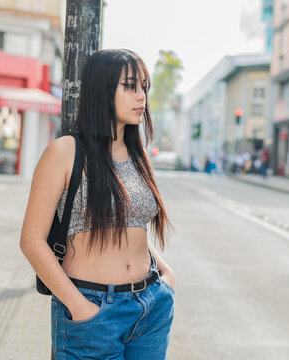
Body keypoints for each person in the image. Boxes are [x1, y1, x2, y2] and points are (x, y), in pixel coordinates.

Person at [20, 49, 175, 360]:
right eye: (130, 86)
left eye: (144, 86)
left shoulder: (138, 156)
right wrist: (79, 306)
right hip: (93, 311)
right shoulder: (64, 152)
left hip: (151, 306)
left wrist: (166, 276)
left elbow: (134, 224)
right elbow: (31, 241)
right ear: (103, 89)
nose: (141, 96)